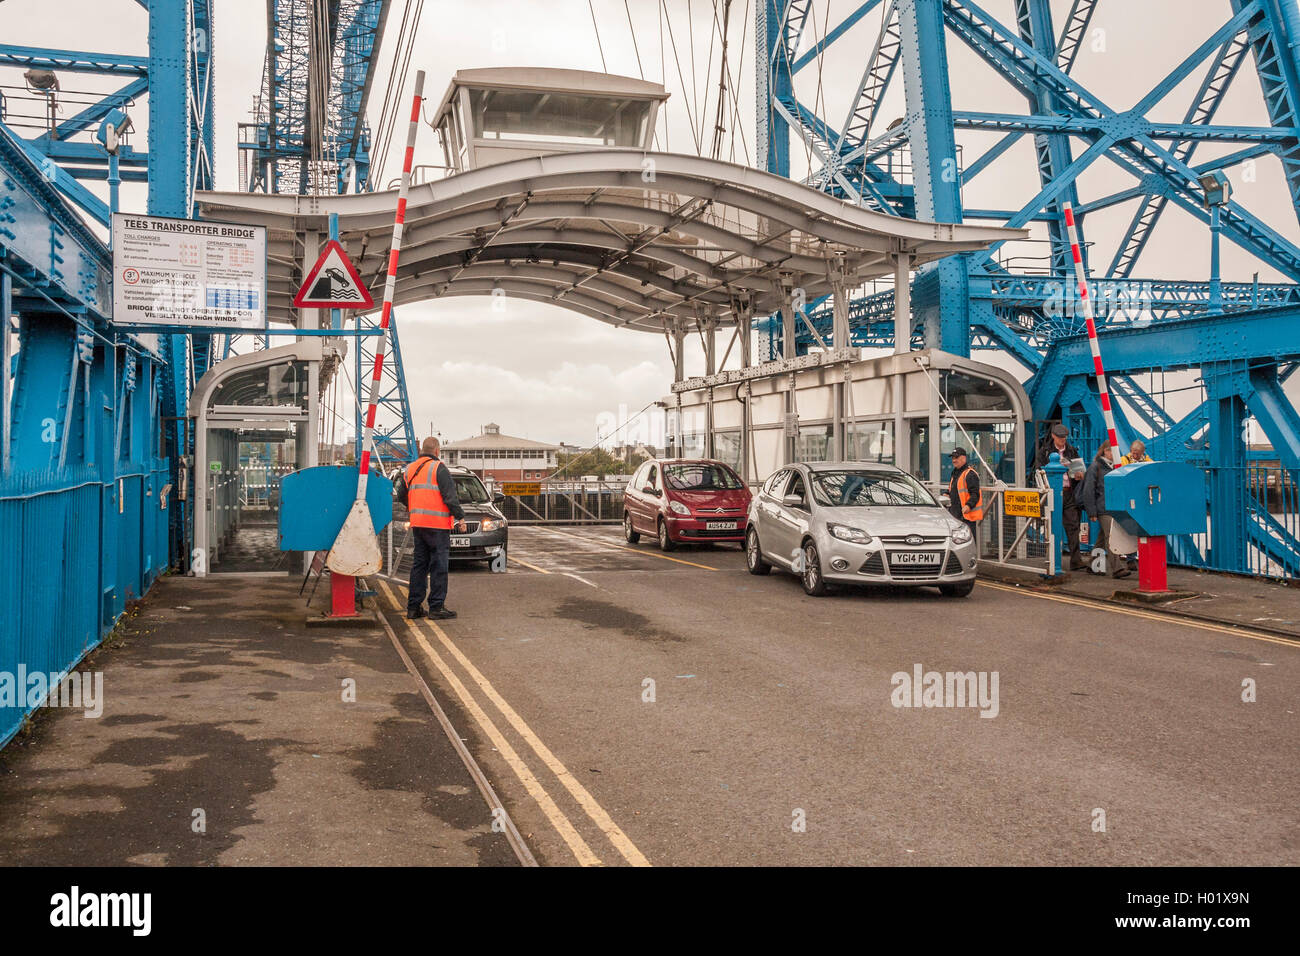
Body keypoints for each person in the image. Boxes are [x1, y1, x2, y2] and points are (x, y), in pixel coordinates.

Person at [404, 437, 468, 620]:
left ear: (422, 450)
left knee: (419, 565)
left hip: (418, 524)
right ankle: (436, 607)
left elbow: (402, 494)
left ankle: (413, 607)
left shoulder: (410, 469)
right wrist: (460, 517)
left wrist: (415, 510)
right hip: (437, 526)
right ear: (437, 451)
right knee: (439, 566)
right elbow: (450, 497)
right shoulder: (438, 468)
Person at [1032, 423, 1086, 570]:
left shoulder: (1072, 451)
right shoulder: (1044, 452)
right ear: (1054, 436)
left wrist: (1079, 475)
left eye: (1065, 437)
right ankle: (1052, 560)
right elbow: (1038, 471)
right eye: (1060, 437)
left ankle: (1076, 560)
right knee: (1052, 527)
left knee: (1073, 526)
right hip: (1053, 493)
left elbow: (1078, 469)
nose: (1063, 440)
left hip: (1069, 492)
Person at [1080, 441, 1131, 579]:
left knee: (1102, 538)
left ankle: (1093, 565)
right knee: (1111, 538)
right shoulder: (1095, 467)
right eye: (1109, 451)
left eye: (1113, 451)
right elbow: (1088, 490)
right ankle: (1117, 569)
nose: (1112, 454)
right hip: (1103, 508)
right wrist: (1091, 512)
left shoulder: (1115, 467)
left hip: (1113, 507)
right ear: (1104, 452)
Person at [946, 448, 983, 538]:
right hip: (956, 515)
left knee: (968, 542)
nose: (954, 460)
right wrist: (947, 493)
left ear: (963, 458)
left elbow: (975, 494)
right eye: (953, 458)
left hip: (966, 517)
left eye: (956, 458)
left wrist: (968, 506)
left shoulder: (970, 474)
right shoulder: (955, 473)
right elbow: (954, 489)